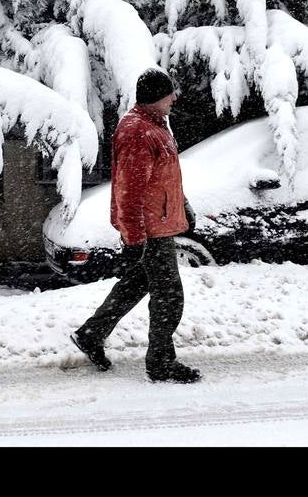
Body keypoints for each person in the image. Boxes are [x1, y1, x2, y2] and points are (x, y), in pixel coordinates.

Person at [70, 68, 201, 383]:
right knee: (169, 294)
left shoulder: (154, 125)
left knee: (137, 284)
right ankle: (161, 363)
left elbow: (163, 178)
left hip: (158, 223)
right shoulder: (138, 131)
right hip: (149, 229)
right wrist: (135, 239)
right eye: (170, 94)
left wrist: (183, 206)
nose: (174, 99)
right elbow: (130, 191)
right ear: (157, 97)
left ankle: (91, 334)